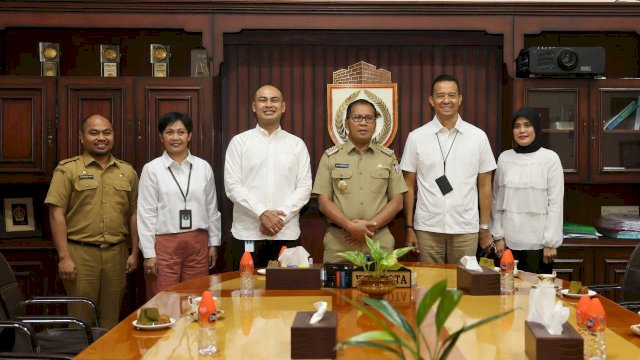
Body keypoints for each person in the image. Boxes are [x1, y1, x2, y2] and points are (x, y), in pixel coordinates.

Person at [45, 114, 139, 329]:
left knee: (111, 321)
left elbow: (135, 213)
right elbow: (56, 214)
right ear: (82, 137)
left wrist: (134, 252)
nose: (101, 138)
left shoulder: (127, 172)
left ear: (113, 136)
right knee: (80, 321)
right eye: (94, 132)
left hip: (117, 255)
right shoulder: (68, 169)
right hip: (80, 255)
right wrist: (64, 257)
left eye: (106, 132)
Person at [401, 74, 496, 265]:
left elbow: (485, 186)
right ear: (431, 100)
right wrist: (409, 227)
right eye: (440, 95)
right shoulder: (416, 137)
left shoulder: (478, 137)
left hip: (465, 228)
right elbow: (408, 186)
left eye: (451, 95)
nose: (446, 100)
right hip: (427, 228)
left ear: (460, 99)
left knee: (463, 287)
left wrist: (484, 227)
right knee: (429, 286)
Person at [224, 85, 312, 268]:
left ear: (283, 106)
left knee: (285, 294)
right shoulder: (239, 142)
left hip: (285, 233)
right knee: (245, 292)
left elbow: (304, 188)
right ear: (254, 106)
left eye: (274, 100)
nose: (269, 104)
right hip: (247, 234)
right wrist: (261, 213)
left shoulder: (297, 145)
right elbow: (232, 186)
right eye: (263, 100)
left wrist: (279, 219)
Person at [137, 112, 222, 299]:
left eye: (181, 132)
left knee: (196, 295)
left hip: (198, 242)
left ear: (189, 136)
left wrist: (214, 242)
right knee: (164, 298)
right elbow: (146, 213)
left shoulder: (203, 167)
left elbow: (211, 208)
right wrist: (149, 253)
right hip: (165, 243)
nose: (175, 138)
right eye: (169, 132)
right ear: (161, 137)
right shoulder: (152, 169)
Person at [313, 99, 407, 263]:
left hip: (378, 242)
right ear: (346, 123)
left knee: (381, 288)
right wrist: (350, 227)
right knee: (336, 289)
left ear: (375, 124)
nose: (363, 123)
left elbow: (397, 201)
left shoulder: (388, 157)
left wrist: (369, 227)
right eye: (357, 117)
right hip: (340, 243)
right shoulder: (330, 157)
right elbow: (323, 202)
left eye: (369, 118)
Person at [491, 107, 564, 274]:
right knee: (506, 295)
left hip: (539, 245)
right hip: (508, 245)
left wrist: (550, 242)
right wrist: (498, 237)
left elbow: (555, 203)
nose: (522, 130)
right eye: (517, 126)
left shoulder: (550, 158)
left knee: (535, 296)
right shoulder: (504, 158)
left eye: (527, 125)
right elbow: (496, 200)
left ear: (536, 129)